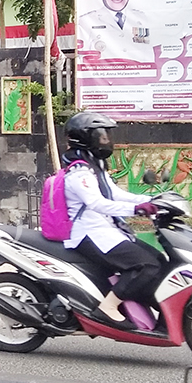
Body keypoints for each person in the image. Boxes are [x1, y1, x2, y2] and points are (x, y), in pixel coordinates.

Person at [60, 112, 163, 327]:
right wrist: (137, 208)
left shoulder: (94, 165)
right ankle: (107, 307)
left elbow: (114, 194)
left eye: (107, 135)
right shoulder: (79, 171)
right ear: (85, 138)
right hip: (90, 233)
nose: (107, 140)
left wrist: (154, 200)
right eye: (102, 136)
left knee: (159, 261)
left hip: (106, 230)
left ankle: (144, 306)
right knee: (146, 266)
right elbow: (97, 203)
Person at [76, 0, 157, 63]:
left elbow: (148, 57)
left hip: (138, 77)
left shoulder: (141, 19)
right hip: (103, 78)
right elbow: (81, 61)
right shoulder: (86, 21)